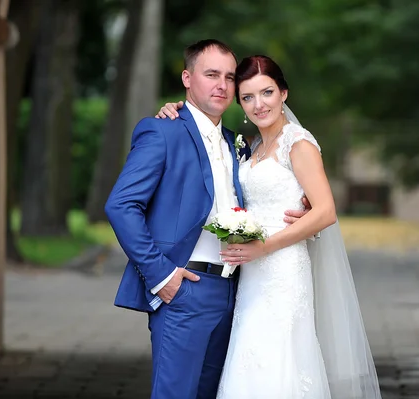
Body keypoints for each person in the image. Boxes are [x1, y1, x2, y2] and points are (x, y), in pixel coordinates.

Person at [157, 55, 381, 398]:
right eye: (247, 97)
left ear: (284, 94)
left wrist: (266, 246)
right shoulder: (249, 148)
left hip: (283, 271)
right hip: (250, 276)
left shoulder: (299, 143)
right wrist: (175, 109)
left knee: (279, 360)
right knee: (250, 361)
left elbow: (325, 212)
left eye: (267, 93)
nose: (258, 104)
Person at [105, 40, 309, 399]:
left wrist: (300, 199)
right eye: (211, 74)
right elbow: (121, 206)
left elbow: (259, 196)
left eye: (229, 77)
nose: (222, 85)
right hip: (185, 289)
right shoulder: (162, 130)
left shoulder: (237, 143)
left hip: (238, 291)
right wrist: (162, 276)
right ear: (187, 78)